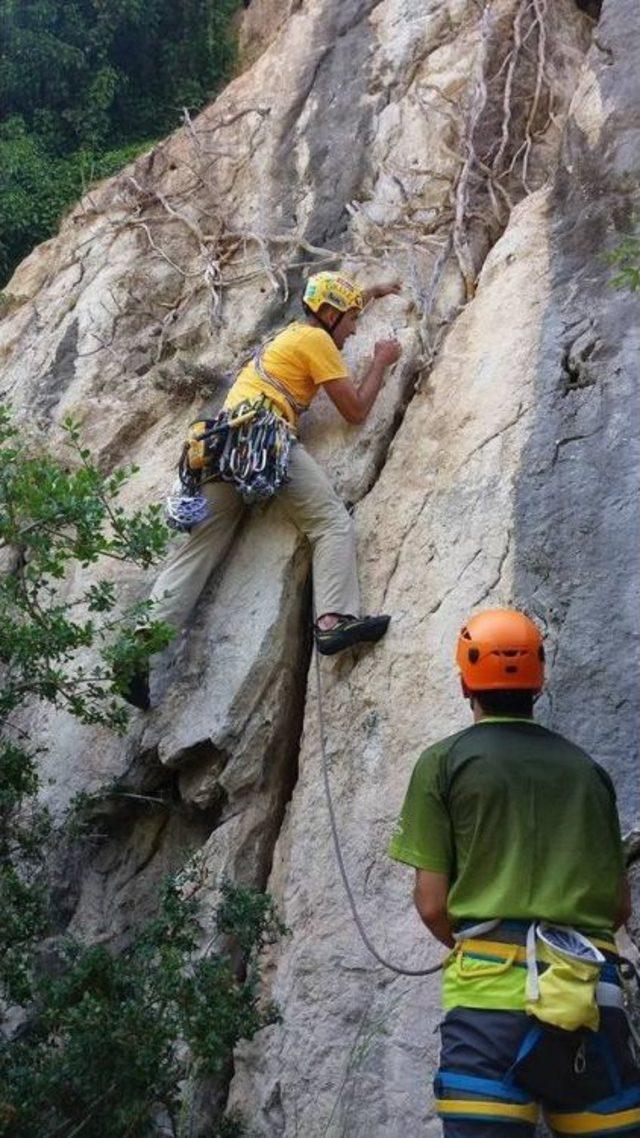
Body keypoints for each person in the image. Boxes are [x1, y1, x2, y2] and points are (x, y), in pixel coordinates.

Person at [388, 608, 640, 1137]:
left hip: (488, 1011)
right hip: (590, 1002)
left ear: (464, 685)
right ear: (538, 683)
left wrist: (481, 946)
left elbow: (433, 904)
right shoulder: (586, 770)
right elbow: (619, 908)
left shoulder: (445, 762)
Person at [119, 271, 402, 709]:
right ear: (328, 315)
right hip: (262, 437)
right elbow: (355, 411)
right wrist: (382, 360)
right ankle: (333, 620)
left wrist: (376, 290)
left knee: (198, 551)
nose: (355, 330)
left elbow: (343, 304)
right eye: (350, 321)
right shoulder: (318, 342)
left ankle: (138, 650)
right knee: (329, 522)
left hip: (221, 443)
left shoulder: (291, 334)